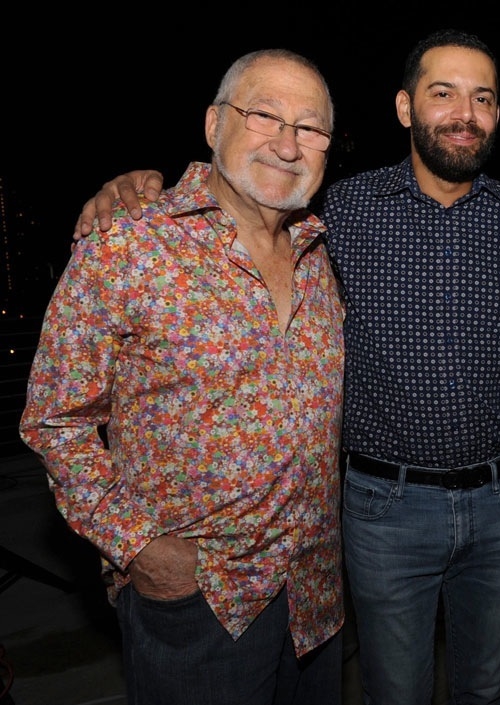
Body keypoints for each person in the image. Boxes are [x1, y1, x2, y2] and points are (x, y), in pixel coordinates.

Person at [73, 29, 500, 705]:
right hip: (386, 509)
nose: (465, 112)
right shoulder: (340, 212)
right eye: (443, 93)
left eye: (482, 97)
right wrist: (132, 185)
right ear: (405, 108)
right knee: (393, 690)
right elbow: (241, 197)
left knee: (485, 686)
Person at [21, 49, 346, 705]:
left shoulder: (320, 253)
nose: (287, 142)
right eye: (264, 115)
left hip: (314, 595)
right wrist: (139, 547)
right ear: (212, 124)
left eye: (309, 127)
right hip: (201, 601)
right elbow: (55, 420)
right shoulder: (127, 242)